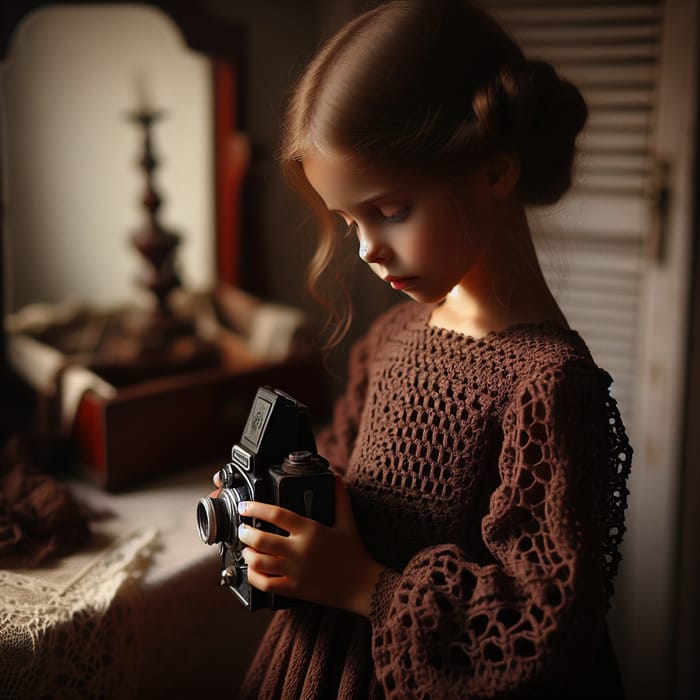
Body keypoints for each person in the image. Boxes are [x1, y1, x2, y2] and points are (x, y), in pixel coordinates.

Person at [233, 1, 633, 697]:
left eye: (389, 211)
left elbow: (540, 629)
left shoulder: (548, 388)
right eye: (348, 219)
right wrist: (279, 519)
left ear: (495, 171)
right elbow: (343, 489)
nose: (365, 248)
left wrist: (358, 583)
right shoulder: (392, 338)